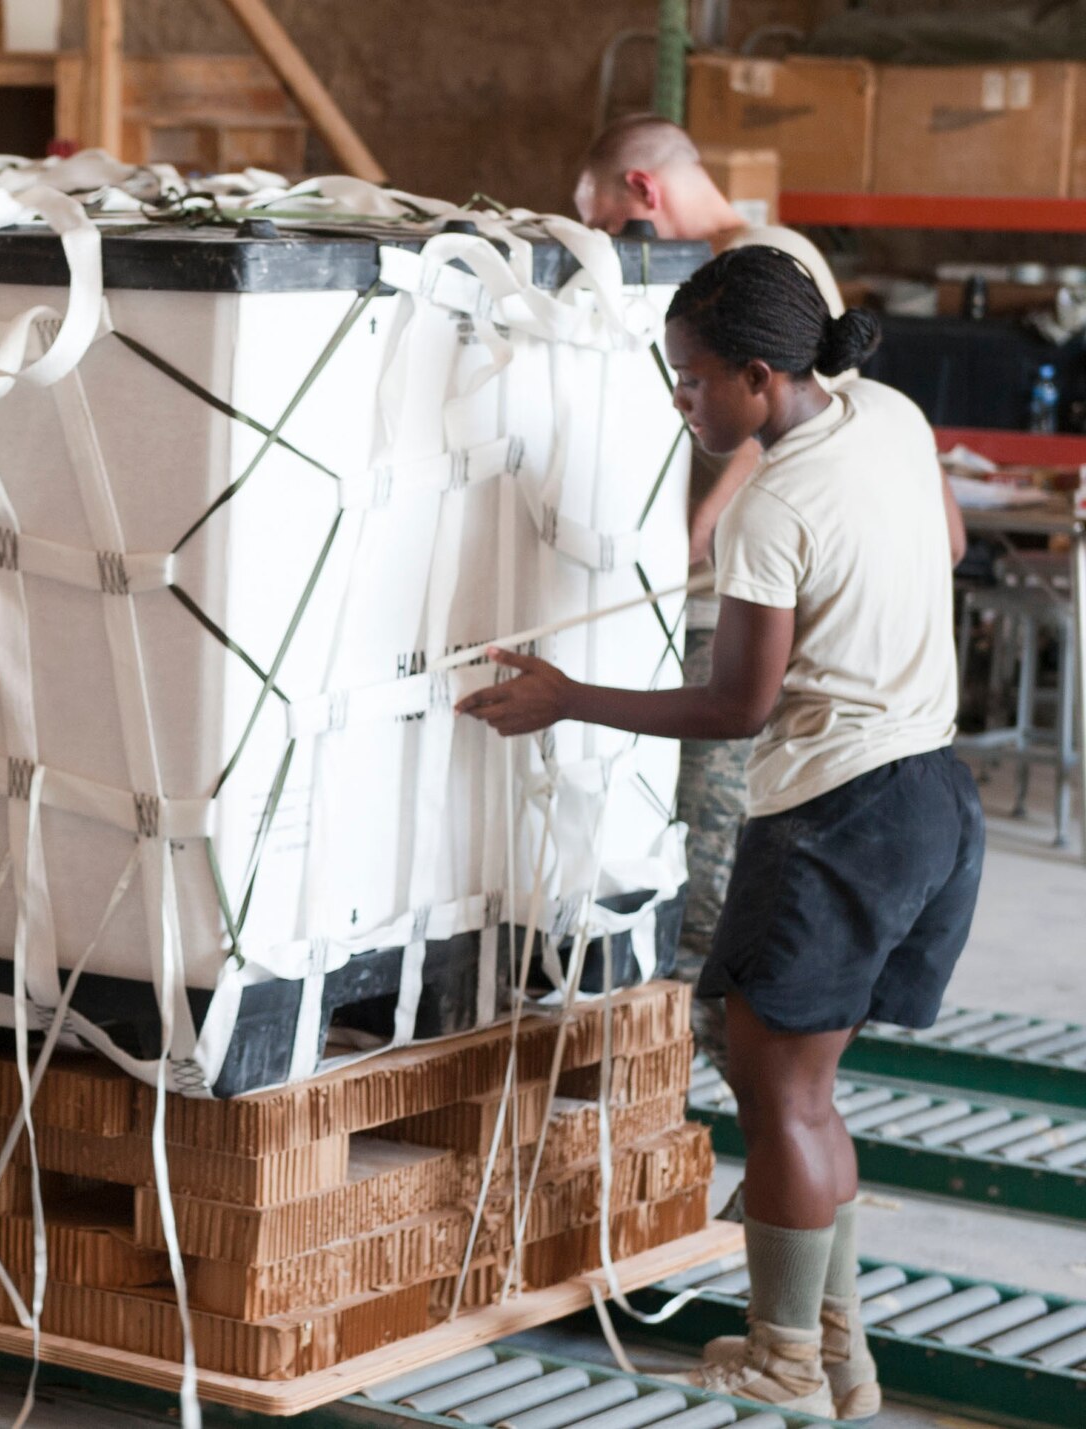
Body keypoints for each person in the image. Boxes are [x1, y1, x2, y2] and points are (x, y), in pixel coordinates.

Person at [458, 245, 981, 1416]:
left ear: (755, 376)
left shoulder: (772, 502)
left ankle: (785, 1359)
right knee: (809, 1093)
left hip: (834, 815)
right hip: (933, 798)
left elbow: (735, 708)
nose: (682, 403)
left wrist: (564, 697)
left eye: (691, 382)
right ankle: (836, 1352)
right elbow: (936, 549)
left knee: (776, 1100)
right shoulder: (887, 415)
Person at [573, 114, 852, 1076]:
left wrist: (707, 523)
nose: (614, 243)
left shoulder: (763, 262)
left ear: (644, 193)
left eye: (609, 221)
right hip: (706, 584)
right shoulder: (747, 259)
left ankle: (707, 1055)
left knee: (714, 815)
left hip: (731, 591)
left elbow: (794, 415)